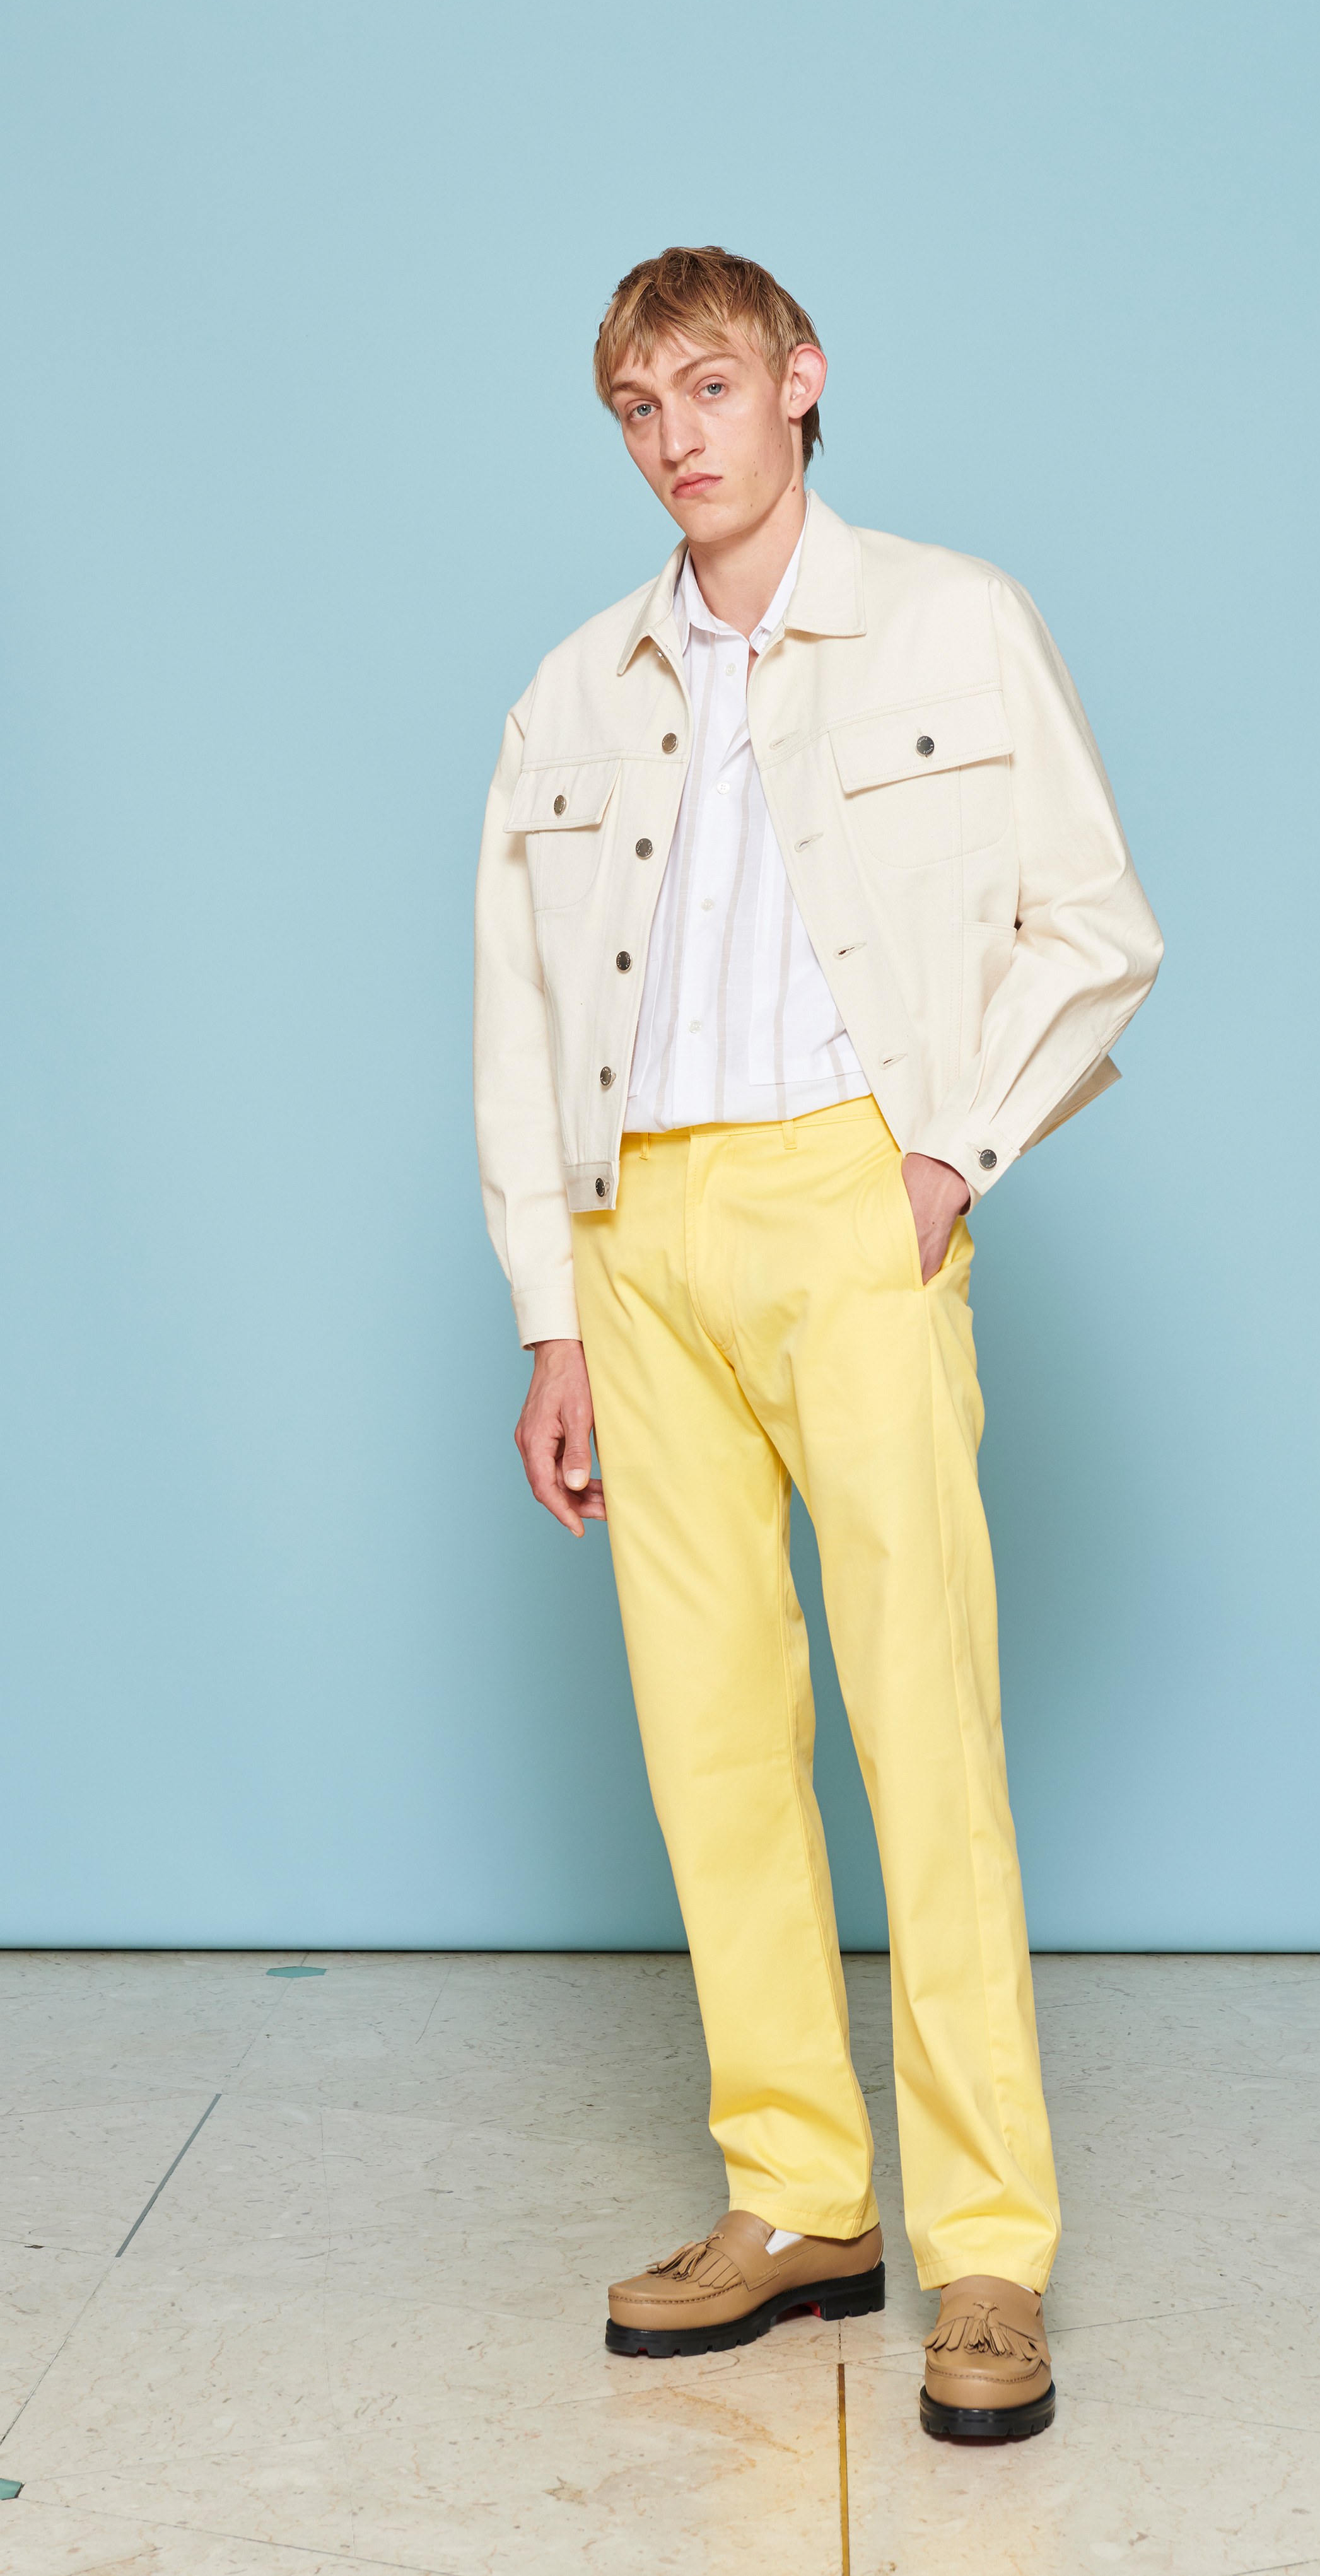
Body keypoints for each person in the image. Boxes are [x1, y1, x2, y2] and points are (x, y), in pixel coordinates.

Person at [473, 246, 1162, 2442]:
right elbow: (518, 1022)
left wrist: (950, 1154)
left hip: (851, 1202)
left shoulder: (952, 622)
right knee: (709, 1738)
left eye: (706, 387)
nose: (672, 436)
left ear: (798, 383)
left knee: (920, 1727)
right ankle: (797, 2195)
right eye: (635, 406)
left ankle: (987, 2250)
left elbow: (1095, 923)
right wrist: (552, 1312)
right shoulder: (572, 690)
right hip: (636, 1231)